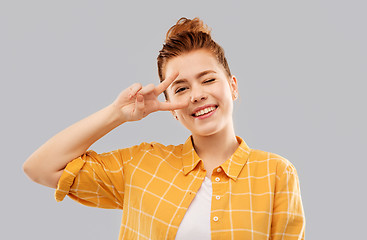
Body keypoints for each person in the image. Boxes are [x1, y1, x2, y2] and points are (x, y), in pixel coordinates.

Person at [23, 17, 305, 240]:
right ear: (170, 107)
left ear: (233, 86)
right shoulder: (142, 165)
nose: (196, 95)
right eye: (181, 88)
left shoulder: (276, 173)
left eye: (207, 80)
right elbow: (40, 168)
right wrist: (116, 114)